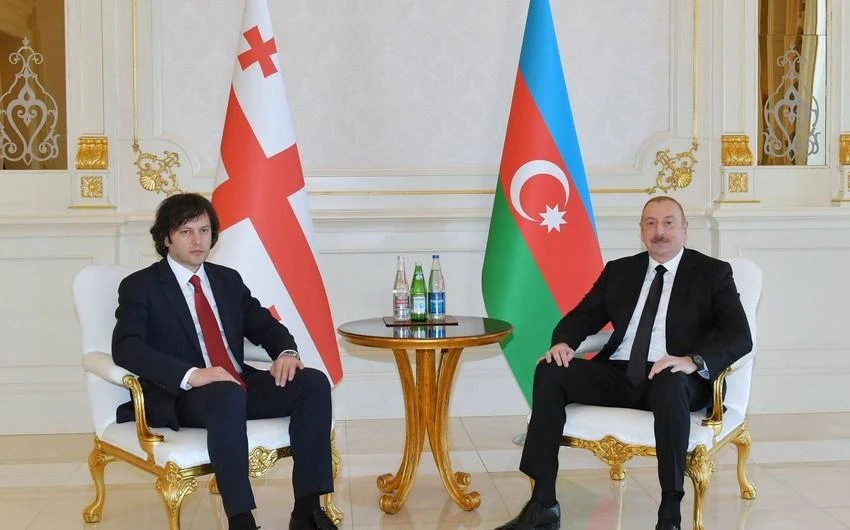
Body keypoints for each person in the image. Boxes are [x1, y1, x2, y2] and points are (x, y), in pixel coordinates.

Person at [495, 196, 752, 530]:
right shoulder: (620, 271)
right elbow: (582, 316)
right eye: (650, 223)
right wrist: (563, 343)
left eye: (668, 223)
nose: (659, 232)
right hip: (620, 372)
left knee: (670, 381)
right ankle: (543, 503)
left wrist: (693, 360)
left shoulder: (712, 273)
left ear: (685, 229)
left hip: (676, 377)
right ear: (641, 231)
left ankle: (669, 515)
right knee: (550, 369)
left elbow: (739, 336)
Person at [112, 193, 337, 530]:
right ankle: (240, 520)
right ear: (166, 238)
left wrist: (286, 353)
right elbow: (126, 347)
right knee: (225, 393)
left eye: (204, 231)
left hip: (236, 383)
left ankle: (306, 511)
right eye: (186, 231)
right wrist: (192, 374)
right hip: (185, 394)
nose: (197, 240)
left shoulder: (227, 280)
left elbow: (266, 326)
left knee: (313, 383)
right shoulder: (141, 286)